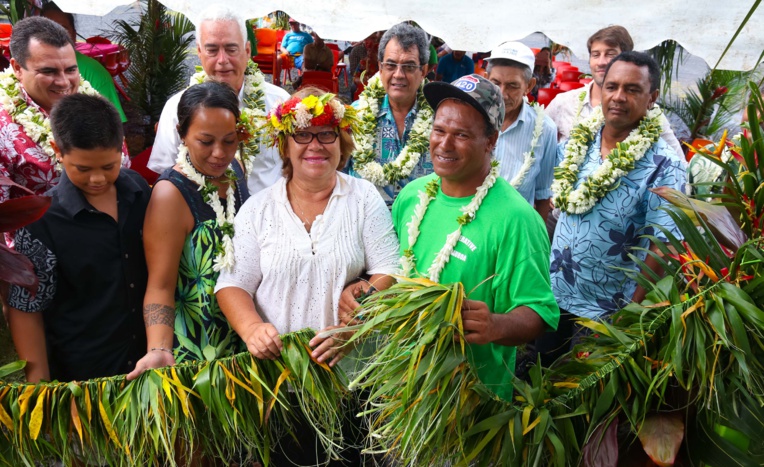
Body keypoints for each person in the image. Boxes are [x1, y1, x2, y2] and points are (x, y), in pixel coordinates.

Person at [214, 88, 399, 464]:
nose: (315, 145)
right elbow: (232, 284)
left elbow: (390, 270)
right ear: (285, 145)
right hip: (282, 379)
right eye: (302, 134)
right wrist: (251, 329)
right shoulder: (259, 209)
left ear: (341, 140)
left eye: (326, 133)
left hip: (352, 380)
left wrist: (360, 313)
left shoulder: (363, 199)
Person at [391, 74, 559, 400]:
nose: (444, 144)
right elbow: (389, 269)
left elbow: (539, 312)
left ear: (491, 141)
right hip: (401, 385)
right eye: (439, 130)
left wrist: (495, 325)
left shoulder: (517, 220)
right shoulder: (412, 196)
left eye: (462, 135)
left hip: (470, 404)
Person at [541, 52, 686, 367]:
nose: (618, 96)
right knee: (533, 381)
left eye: (632, 89)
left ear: (652, 98)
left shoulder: (665, 164)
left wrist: (628, 316)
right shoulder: (577, 144)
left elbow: (662, 245)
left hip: (608, 311)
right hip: (553, 294)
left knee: (579, 397)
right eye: (612, 86)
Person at [7, 94, 148, 382]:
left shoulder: (138, 191)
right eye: (83, 169)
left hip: (149, 364)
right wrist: (40, 390)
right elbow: (26, 309)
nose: (97, 179)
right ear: (57, 150)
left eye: (109, 166)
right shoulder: (40, 222)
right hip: (84, 377)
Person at [127, 81, 251, 376]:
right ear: (182, 135)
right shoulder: (170, 194)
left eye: (230, 140)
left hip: (247, 334)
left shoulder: (236, 169)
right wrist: (158, 349)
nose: (220, 153)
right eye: (206, 142)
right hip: (197, 350)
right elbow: (160, 285)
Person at [148, 4, 289, 196]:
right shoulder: (176, 107)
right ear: (199, 52)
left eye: (231, 49)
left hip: (270, 216)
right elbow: (166, 172)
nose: (222, 60)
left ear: (247, 51)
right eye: (212, 50)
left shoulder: (279, 103)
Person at [0, 16, 129, 206]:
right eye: (48, 72)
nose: (63, 82)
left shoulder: (94, 103)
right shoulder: (4, 128)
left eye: (70, 70)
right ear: (18, 68)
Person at [545, 26, 683, 159]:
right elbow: (537, 146)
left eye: (610, 54)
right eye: (595, 55)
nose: (601, 62)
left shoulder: (649, 112)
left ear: (626, 59)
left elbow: (679, 164)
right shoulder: (564, 102)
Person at [349, 22, 434, 205]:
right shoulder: (354, 116)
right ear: (380, 68)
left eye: (409, 66)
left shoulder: (440, 122)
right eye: (390, 65)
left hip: (421, 225)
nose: (398, 74)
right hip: (365, 225)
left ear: (423, 71)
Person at [485, 41, 557, 220]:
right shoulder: (472, 118)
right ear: (487, 79)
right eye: (496, 83)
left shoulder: (545, 130)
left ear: (529, 85)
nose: (502, 93)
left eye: (512, 85)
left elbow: (542, 194)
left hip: (515, 228)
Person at [40, 2, 127, 123]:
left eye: (63, 29)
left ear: (74, 35)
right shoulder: (26, 70)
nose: (55, 36)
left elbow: (114, 128)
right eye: (47, 29)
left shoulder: (94, 72)